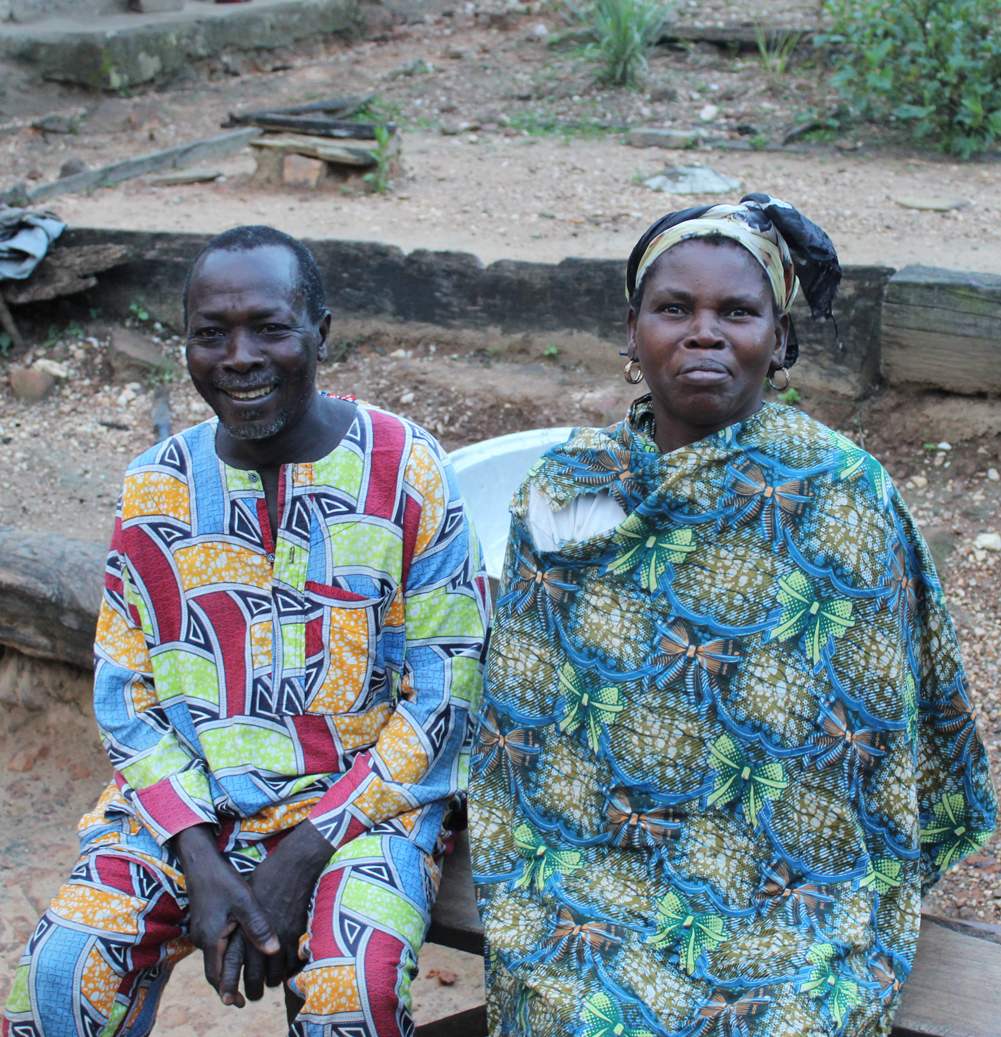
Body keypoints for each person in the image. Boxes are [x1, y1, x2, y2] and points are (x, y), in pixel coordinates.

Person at [468, 195, 997, 1037]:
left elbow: (886, 729)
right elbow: (529, 719)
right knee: (575, 1002)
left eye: (737, 312)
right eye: (673, 308)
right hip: (590, 871)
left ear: (779, 338)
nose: (703, 332)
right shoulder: (570, 490)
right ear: (631, 329)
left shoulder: (839, 494)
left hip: (792, 888)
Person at [3, 225, 488, 1037]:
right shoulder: (156, 488)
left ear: (320, 332)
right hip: (183, 808)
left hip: (363, 805)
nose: (238, 356)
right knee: (62, 970)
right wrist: (198, 852)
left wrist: (304, 850)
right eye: (209, 334)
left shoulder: (407, 469)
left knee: (351, 992)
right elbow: (128, 694)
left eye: (269, 327)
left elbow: (444, 696)